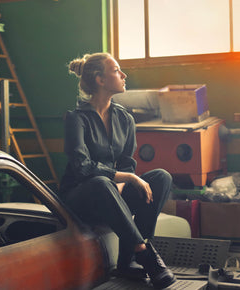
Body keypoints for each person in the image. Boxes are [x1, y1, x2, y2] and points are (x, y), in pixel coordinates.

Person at [59, 52, 176, 289]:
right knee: (101, 183)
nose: (123, 75)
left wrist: (122, 184)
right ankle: (144, 252)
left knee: (161, 177)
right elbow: (82, 168)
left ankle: (127, 261)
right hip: (81, 197)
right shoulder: (76, 119)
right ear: (100, 80)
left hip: (110, 193)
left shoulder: (125, 118)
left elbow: (126, 162)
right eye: (116, 70)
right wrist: (127, 179)